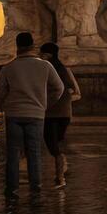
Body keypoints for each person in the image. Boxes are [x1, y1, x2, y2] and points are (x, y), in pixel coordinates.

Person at [0, 33, 66, 198]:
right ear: (33, 45)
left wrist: (5, 105)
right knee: (34, 152)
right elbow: (59, 88)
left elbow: (0, 92)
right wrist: (46, 104)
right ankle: (36, 188)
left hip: (13, 113)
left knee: (13, 153)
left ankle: (12, 189)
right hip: (36, 114)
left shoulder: (8, 68)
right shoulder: (45, 66)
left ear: (17, 46)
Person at [40, 43, 79, 188]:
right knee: (58, 141)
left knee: (52, 144)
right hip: (65, 113)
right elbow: (74, 90)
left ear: (48, 55)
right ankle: (61, 169)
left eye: (42, 54)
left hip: (50, 112)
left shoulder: (45, 68)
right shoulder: (63, 68)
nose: (40, 56)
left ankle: (60, 176)